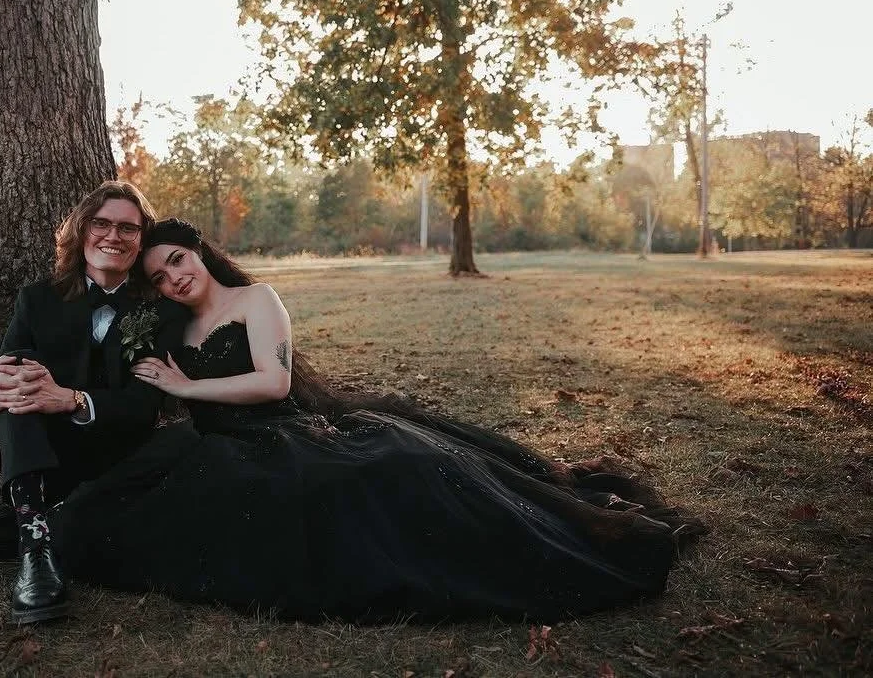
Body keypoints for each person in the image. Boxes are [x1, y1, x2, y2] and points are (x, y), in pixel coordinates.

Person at [49, 218, 706, 623]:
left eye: (177, 262)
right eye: (159, 278)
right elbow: (124, 371)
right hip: (221, 447)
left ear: (199, 252)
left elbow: (275, 380)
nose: (172, 280)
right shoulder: (170, 325)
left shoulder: (256, 299)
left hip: (284, 431)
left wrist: (189, 382)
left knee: (395, 474)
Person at [0, 183, 197, 625]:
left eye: (129, 228)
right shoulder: (36, 300)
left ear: (140, 240)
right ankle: (36, 550)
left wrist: (71, 399)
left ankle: (21, 531)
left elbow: (142, 406)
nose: (114, 236)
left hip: (120, 460)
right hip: (45, 460)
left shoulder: (161, 312)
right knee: (21, 366)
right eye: (102, 223)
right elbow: (6, 390)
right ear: (82, 229)